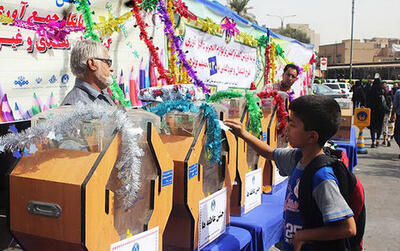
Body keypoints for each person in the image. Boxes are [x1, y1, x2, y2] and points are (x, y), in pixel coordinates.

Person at [225, 95, 356, 251]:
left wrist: (303, 236)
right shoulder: (297, 157)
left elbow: (347, 228)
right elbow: (269, 153)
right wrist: (243, 134)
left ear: (312, 136)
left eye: (292, 124)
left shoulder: (322, 177)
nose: (286, 127)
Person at [61, 40, 116, 106]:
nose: (112, 69)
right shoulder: (76, 105)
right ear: (92, 64)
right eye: (108, 62)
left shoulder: (102, 94)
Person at [367, 78, 388, 148]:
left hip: (372, 111)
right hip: (381, 111)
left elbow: (367, 101)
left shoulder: (371, 90)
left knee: (372, 127)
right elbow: (386, 101)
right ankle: (378, 140)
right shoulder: (382, 90)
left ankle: (373, 141)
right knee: (379, 126)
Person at [393, 86, 400, 158]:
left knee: (396, 134)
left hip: (399, 116)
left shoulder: (398, 92)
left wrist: (393, 114)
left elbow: (395, 105)